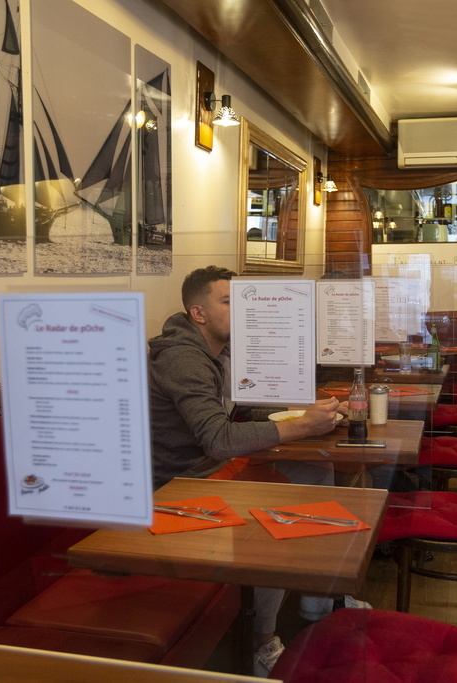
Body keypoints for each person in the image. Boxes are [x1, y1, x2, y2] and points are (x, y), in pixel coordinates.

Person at [148, 265, 370, 676]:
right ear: (198, 313)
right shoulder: (182, 358)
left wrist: (307, 411)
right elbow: (216, 437)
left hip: (216, 468)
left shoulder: (222, 350)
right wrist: (300, 426)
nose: (243, 309)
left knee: (316, 473)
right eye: (230, 301)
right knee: (279, 513)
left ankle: (316, 597)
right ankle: (260, 641)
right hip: (180, 486)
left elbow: (244, 406)